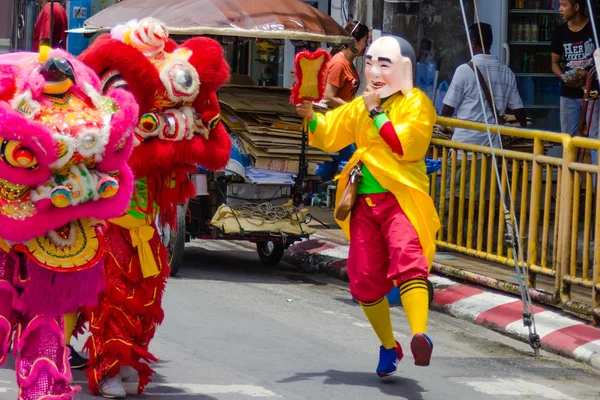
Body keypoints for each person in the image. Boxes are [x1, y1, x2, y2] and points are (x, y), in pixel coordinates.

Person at [78, 18, 232, 398]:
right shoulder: (115, 79)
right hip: (109, 210)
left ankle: (128, 356)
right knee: (113, 288)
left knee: (148, 289)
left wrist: (190, 127)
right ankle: (107, 365)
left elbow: (215, 147)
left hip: (149, 216)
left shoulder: (178, 80)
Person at [297, 35, 440, 376]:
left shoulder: (416, 103)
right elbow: (332, 131)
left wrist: (376, 111)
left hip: (400, 200)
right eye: (371, 62)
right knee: (362, 279)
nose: (374, 71)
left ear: (404, 69)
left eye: (384, 64)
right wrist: (310, 116)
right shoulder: (361, 105)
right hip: (364, 202)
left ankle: (420, 333)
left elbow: (404, 145)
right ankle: (389, 345)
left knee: (409, 261)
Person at [0, 46, 137, 399]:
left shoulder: (88, 109)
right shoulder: (22, 103)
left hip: (54, 248)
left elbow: (112, 171)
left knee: (45, 342)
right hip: (28, 241)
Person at [441, 22, 527, 241]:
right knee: (485, 200)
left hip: (464, 148)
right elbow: (520, 115)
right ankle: (478, 242)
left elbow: (447, 110)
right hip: (491, 150)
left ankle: (453, 240)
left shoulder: (464, 70)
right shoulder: (507, 72)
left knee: (455, 197)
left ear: (473, 42)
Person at [551, 0, 598, 164]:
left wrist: (587, 74)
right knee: (569, 141)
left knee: (596, 139)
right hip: (568, 93)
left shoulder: (595, 29)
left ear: (576, 7)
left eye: (564, 5)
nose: (560, 9)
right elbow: (554, 63)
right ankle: (570, 188)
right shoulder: (559, 32)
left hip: (593, 92)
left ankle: (596, 187)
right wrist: (564, 77)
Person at [324, 21, 370, 108]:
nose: (366, 45)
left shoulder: (348, 63)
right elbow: (328, 97)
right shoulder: (339, 64)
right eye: (365, 41)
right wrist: (352, 109)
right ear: (354, 42)